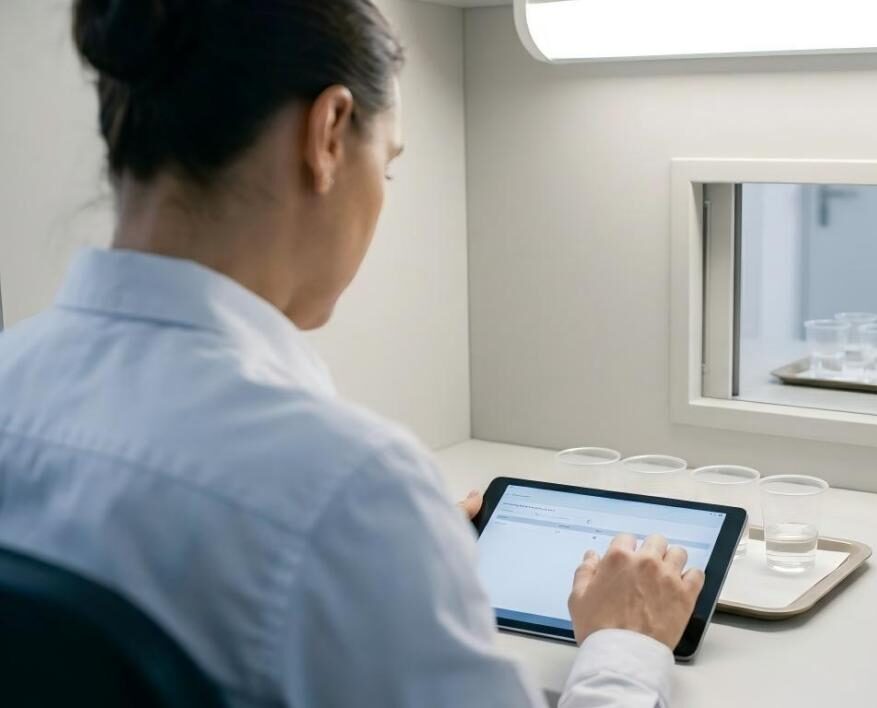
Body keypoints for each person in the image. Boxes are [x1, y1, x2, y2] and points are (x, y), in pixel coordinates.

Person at [0, 1, 704, 706]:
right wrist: (626, 644)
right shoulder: (346, 489)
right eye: (388, 166)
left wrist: (396, 551)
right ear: (329, 134)